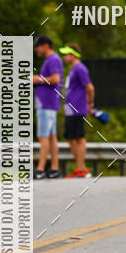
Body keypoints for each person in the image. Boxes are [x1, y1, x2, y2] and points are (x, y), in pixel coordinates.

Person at [59, 43, 95, 179]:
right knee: (69, 137)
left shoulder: (80, 68)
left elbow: (90, 88)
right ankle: (81, 168)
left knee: (79, 137)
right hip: (70, 109)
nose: (64, 57)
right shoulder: (73, 69)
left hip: (78, 108)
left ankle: (81, 169)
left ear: (73, 55)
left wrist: (90, 104)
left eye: (66, 54)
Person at [32, 35, 63, 179]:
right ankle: (55, 168)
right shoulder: (51, 60)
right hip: (50, 104)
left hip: (46, 104)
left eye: (37, 46)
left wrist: (37, 79)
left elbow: (56, 79)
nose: (36, 49)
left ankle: (40, 170)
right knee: (51, 137)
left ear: (45, 45)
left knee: (43, 136)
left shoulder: (53, 59)